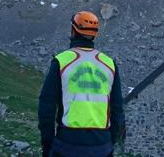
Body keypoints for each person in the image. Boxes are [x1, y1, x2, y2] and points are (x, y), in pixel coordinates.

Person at [38, 11, 125, 157]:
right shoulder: (109, 64)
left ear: (73, 30)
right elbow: (117, 109)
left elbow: (46, 106)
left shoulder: (61, 61)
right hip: (102, 146)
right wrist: (111, 141)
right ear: (94, 34)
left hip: (66, 145)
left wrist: (47, 145)